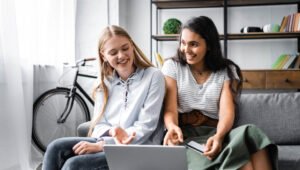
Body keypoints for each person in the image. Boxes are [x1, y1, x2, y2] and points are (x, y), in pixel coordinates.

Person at [161, 16, 277, 170]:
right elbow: (170, 109)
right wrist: (172, 127)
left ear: (209, 45)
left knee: (252, 133)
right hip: (185, 135)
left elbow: (226, 113)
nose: (186, 50)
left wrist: (219, 137)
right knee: (245, 165)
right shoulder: (172, 67)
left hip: (217, 133)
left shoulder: (226, 71)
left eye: (193, 44)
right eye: (183, 43)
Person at [42, 25, 165, 170]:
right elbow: (98, 125)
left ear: (132, 46)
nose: (121, 55)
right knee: (55, 147)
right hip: (108, 141)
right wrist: (112, 133)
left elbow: (146, 127)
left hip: (140, 146)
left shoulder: (153, 76)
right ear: (103, 56)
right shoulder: (104, 82)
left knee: (74, 165)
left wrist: (104, 145)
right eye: (113, 52)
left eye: (125, 48)